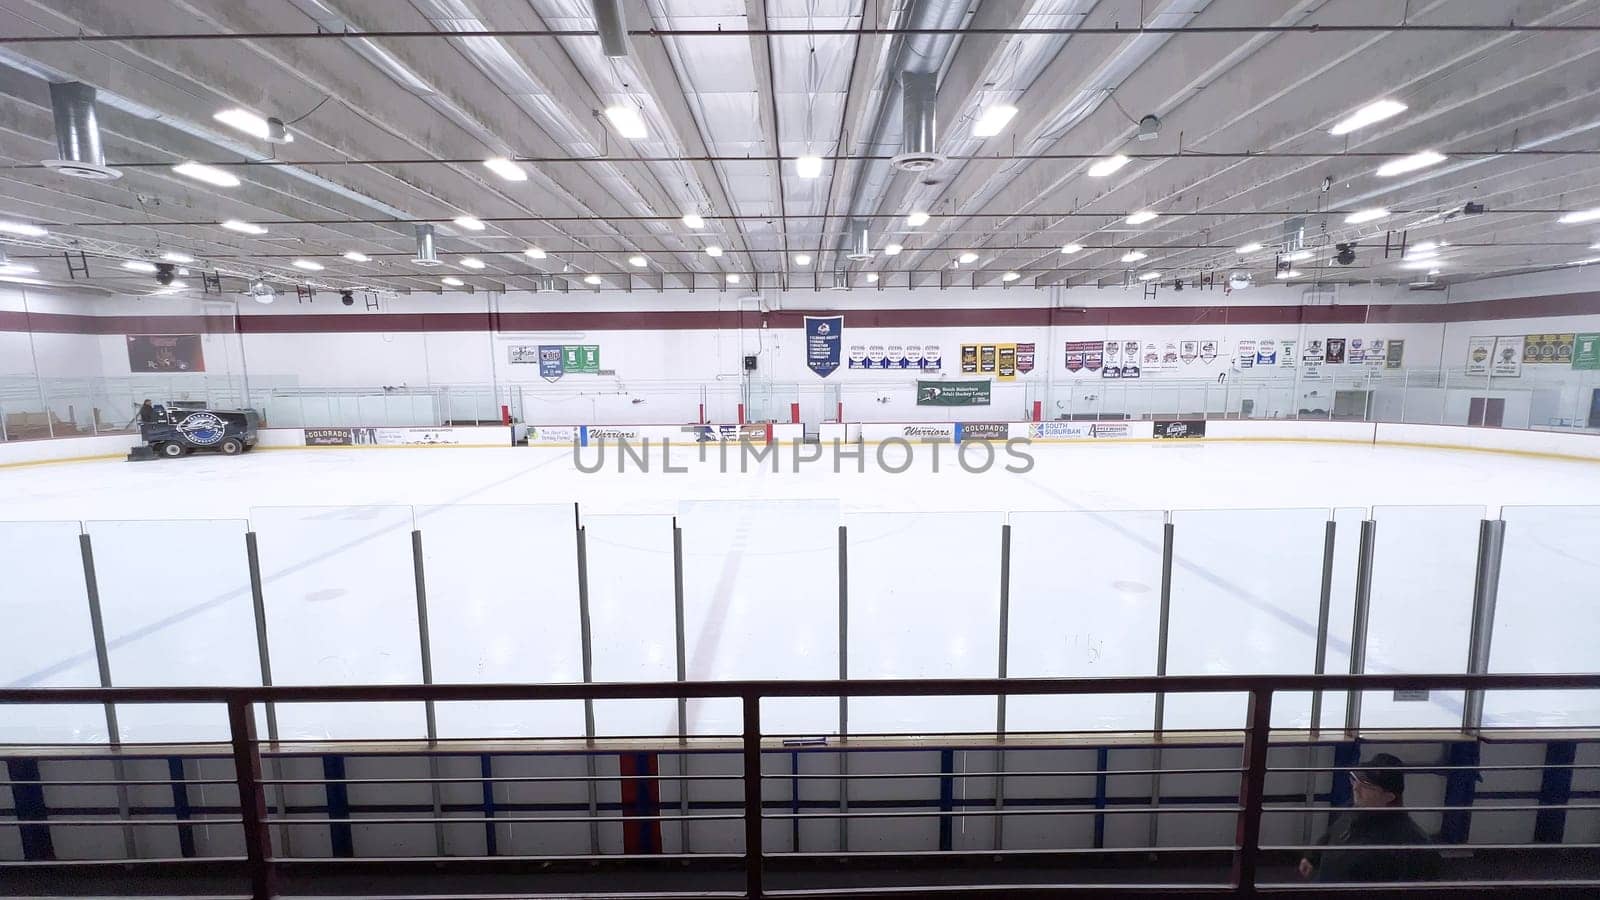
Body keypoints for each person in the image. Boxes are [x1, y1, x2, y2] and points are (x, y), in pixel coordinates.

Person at [1300, 753, 1441, 883]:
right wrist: (1313, 857)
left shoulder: (1409, 843)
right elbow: (1333, 833)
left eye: (1367, 786)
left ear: (1389, 797)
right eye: (1355, 779)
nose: (1356, 788)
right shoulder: (1356, 808)